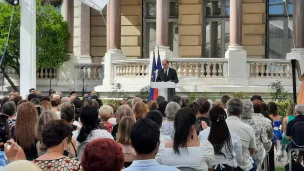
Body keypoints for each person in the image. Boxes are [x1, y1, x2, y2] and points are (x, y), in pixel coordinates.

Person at [199, 106, 243, 171]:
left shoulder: (202, 134)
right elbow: (239, 159)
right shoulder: (234, 136)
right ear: (225, 117)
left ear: (210, 118)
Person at [225, 98, 257, 171]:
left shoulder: (218, 126)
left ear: (227, 110)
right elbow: (252, 151)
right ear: (241, 111)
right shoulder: (248, 128)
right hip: (244, 166)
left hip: (224, 166)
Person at [242, 100, 272, 170]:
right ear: (262, 109)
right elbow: (266, 139)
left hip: (241, 152)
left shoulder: (238, 121)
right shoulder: (263, 121)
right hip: (256, 153)